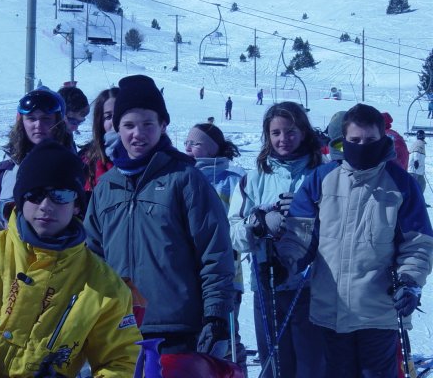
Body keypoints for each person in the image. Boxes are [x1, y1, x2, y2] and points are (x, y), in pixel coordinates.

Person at [0, 140, 141, 377]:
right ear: (20, 198)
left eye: (60, 194)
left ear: (76, 204)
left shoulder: (104, 286)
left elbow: (120, 361)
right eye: (36, 194)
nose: (46, 206)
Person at [276, 103, 433, 377]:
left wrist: (409, 282)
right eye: (355, 140)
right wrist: (286, 261)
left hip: (379, 312)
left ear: (383, 139)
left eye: (370, 140)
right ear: (343, 141)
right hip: (331, 310)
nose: (362, 145)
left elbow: (417, 243)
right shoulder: (322, 179)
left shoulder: (400, 183)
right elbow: (300, 233)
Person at [84, 74, 235, 357]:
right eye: (128, 125)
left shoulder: (185, 179)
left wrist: (215, 316)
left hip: (177, 330)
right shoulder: (106, 188)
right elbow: (92, 258)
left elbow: (215, 251)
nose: (137, 134)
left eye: (147, 124)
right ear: (117, 127)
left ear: (163, 125)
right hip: (119, 328)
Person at [228, 101, 325, 378]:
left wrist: (309, 212)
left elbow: (341, 224)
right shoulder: (255, 178)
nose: (283, 139)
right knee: (276, 365)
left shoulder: (322, 172)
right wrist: (257, 224)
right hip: (268, 282)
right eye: (276, 133)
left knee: (312, 365)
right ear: (267, 135)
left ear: (304, 132)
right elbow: (233, 233)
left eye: (291, 132)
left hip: (313, 286)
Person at [0, 86, 72, 240]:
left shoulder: (74, 169)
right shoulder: (4, 172)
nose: (38, 125)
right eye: (31, 118)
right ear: (21, 122)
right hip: (7, 259)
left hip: (57, 259)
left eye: (46, 118)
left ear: (58, 122)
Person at [184, 123, 247, 375]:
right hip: (189, 275)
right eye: (187, 142)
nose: (188, 148)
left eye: (196, 144)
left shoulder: (230, 181)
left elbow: (238, 223)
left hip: (226, 275)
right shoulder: (182, 176)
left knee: (226, 337)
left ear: (212, 149)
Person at [78, 87, 119, 199]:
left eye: (120, 114)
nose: (114, 121)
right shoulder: (85, 161)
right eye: (108, 116)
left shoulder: (144, 158)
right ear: (100, 121)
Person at [408, 129, 427, 193]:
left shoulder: (418, 143)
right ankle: (413, 200)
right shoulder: (420, 143)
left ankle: (419, 200)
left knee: (422, 184)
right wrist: (416, 161)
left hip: (417, 170)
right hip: (415, 170)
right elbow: (416, 152)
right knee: (417, 186)